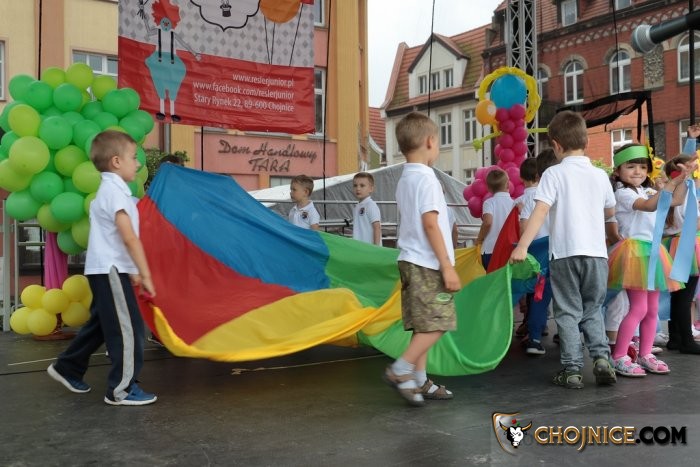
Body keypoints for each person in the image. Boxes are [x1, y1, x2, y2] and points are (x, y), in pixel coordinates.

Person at [47, 130, 158, 406]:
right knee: (129, 328)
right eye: (133, 157)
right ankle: (121, 389)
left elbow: (115, 237)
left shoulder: (109, 191)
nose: (138, 163)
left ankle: (68, 366)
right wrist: (144, 272)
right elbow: (128, 237)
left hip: (106, 269)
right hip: (111, 269)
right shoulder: (114, 193)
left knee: (102, 323)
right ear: (116, 161)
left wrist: (132, 269)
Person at [509, 110, 617, 389]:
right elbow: (610, 211)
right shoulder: (600, 175)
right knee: (593, 309)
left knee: (568, 311)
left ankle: (572, 369)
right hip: (596, 254)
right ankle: (601, 359)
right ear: (587, 142)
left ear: (556, 145)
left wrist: (523, 246)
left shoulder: (553, 174)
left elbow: (540, 211)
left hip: (565, 255)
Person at [383, 112, 461, 406]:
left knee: (424, 325)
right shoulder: (427, 179)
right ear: (430, 142)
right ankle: (401, 369)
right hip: (427, 263)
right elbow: (431, 223)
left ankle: (418, 379)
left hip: (410, 259)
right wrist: (447, 266)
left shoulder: (406, 178)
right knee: (440, 321)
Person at [607, 144, 692, 377]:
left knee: (652, 309)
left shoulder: (646, 191)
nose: (637, 171)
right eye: (631, 167)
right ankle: (619, 356)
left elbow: (675, 201)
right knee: (639, 308)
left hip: (652, 252)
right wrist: (670, 184)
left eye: (642, 167)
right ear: (618, 171)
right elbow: (648, 206)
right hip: (634, 253)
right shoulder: (623, 194)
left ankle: (645, 353)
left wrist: (682, 179)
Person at [518, 150, 558, 356]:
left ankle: (534, 337)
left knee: (539, 296)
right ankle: (569, 334)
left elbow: (524, 226)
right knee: (568, 296)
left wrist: (524, 246)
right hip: (563, 252)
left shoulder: (534, 196)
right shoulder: (566, 192)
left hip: (540, 255)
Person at [663, 153, 700, 354]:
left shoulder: (669, 190)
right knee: (685, 296)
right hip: (684, 244)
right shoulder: (686, 191)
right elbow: (692, 221)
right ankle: (686, 340)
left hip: (671, 243)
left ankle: (675, 337)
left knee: (677, 295)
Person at [475, 168, 514, 270]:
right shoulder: (514, 203)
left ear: (488, 188)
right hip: (509, 249)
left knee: (492, 277)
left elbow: (487, 222)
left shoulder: (489, 203)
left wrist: (479, 239)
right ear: (508, 184)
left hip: (490, 249)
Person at [352, 172, 382, 245]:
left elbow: (377, 227)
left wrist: (375, 248)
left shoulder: (371, 205)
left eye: (362, 185)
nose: (358, 188)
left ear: (371, 189)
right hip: (360, 247)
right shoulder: (357, 207)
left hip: (370, 248)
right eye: (355, 185)